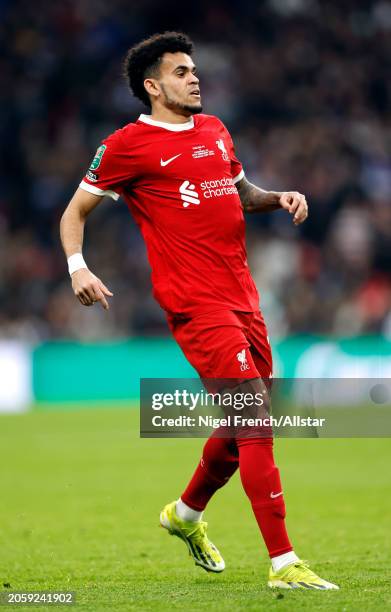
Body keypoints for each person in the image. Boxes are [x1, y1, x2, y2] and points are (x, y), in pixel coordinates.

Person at [60, 31, 338, 591]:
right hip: (195, 303)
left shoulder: (214, 130)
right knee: (255, 420)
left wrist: (277, 196)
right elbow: (75, 211)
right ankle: (284, 563)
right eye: (182, 72)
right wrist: (78, 267)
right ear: (153, 85)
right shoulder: (125, 147)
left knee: (245, 424)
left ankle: (184, 515)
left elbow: (240, 193)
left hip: (244, 297)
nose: (194, 78)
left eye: (194, 70)